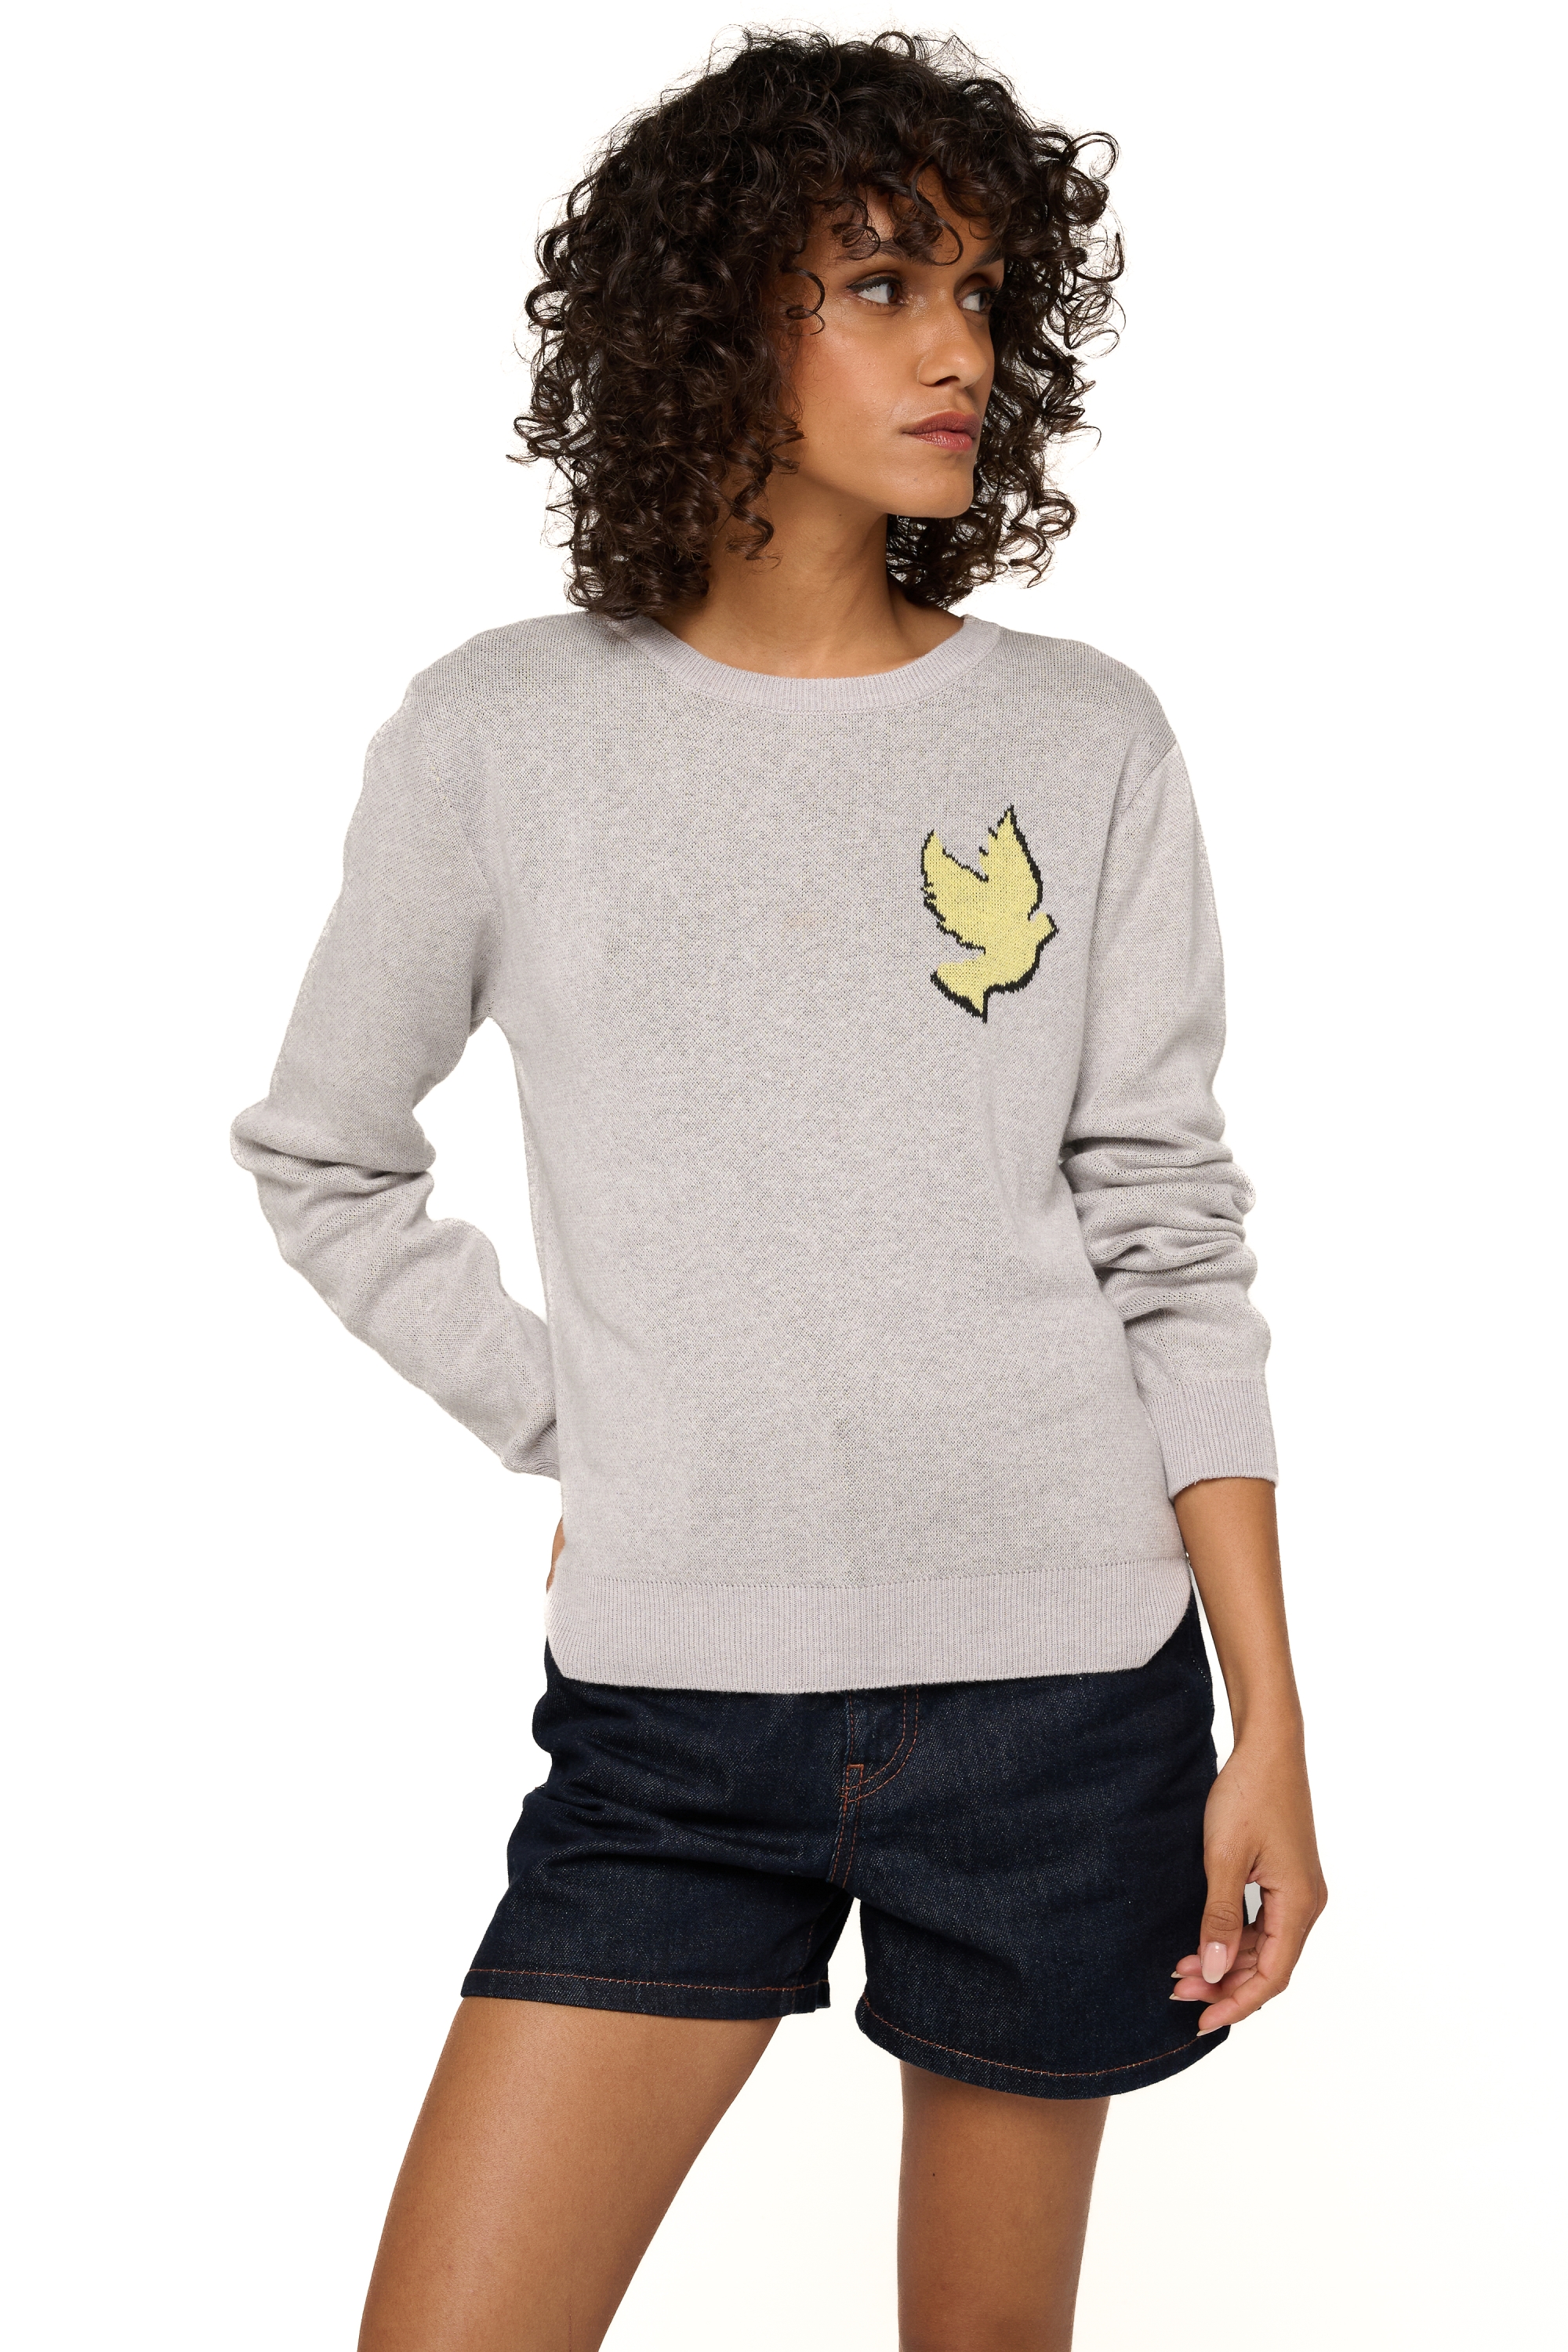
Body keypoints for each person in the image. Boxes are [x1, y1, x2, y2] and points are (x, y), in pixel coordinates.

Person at [230, 30, 1327, 2351]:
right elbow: (326, 1155)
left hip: (1064, 1701)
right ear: (717, 315)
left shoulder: (1082, 734)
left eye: (985, 294)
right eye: (886, 283)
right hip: (674, 1716)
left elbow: (1168, 1231)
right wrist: (590, 1423)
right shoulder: (503, 734)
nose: (962, 350)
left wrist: (1271, 1722)